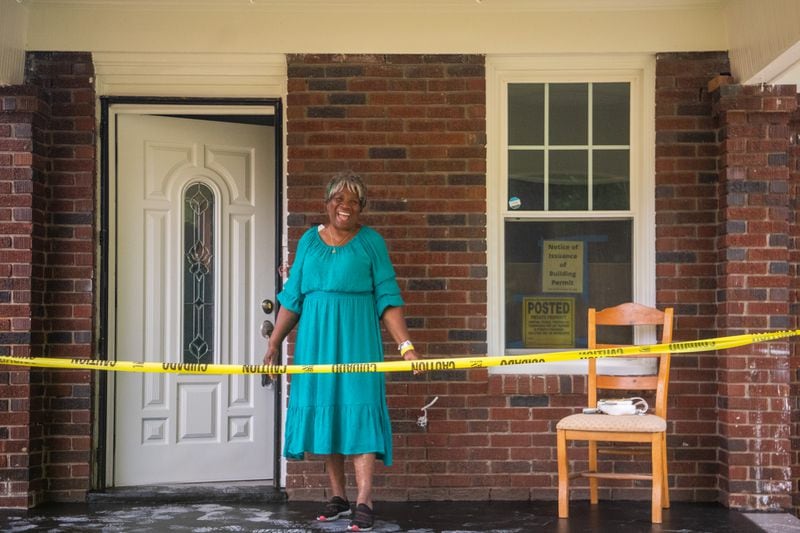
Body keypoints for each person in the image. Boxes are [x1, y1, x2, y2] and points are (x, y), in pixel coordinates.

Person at [263, 171, 422, 532]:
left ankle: (365, 498)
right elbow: (293, 298)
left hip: (357, 340)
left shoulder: (371, 243)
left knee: (359, 407)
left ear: (361, 208)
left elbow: (387, 297)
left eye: (353, 201)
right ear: (327, 202)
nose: (345, 206)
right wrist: (274, 343)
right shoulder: (308, 241)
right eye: (338, 199)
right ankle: (338, 496)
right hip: (315, 344)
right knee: (328, 410)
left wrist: (406, 346)